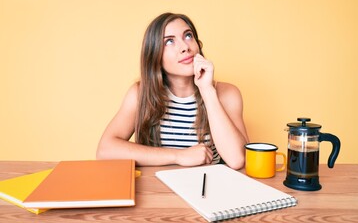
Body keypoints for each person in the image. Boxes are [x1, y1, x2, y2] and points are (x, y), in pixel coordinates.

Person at [96, 12, 249, 170]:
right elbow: (105, 151)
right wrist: (178, 156)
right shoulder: (140, 94)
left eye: (188, 36)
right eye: (169, 41)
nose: (185, 47)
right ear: (155, 55)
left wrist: (207, 90)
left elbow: (238, 159)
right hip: (157, 189)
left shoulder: (227, 94)